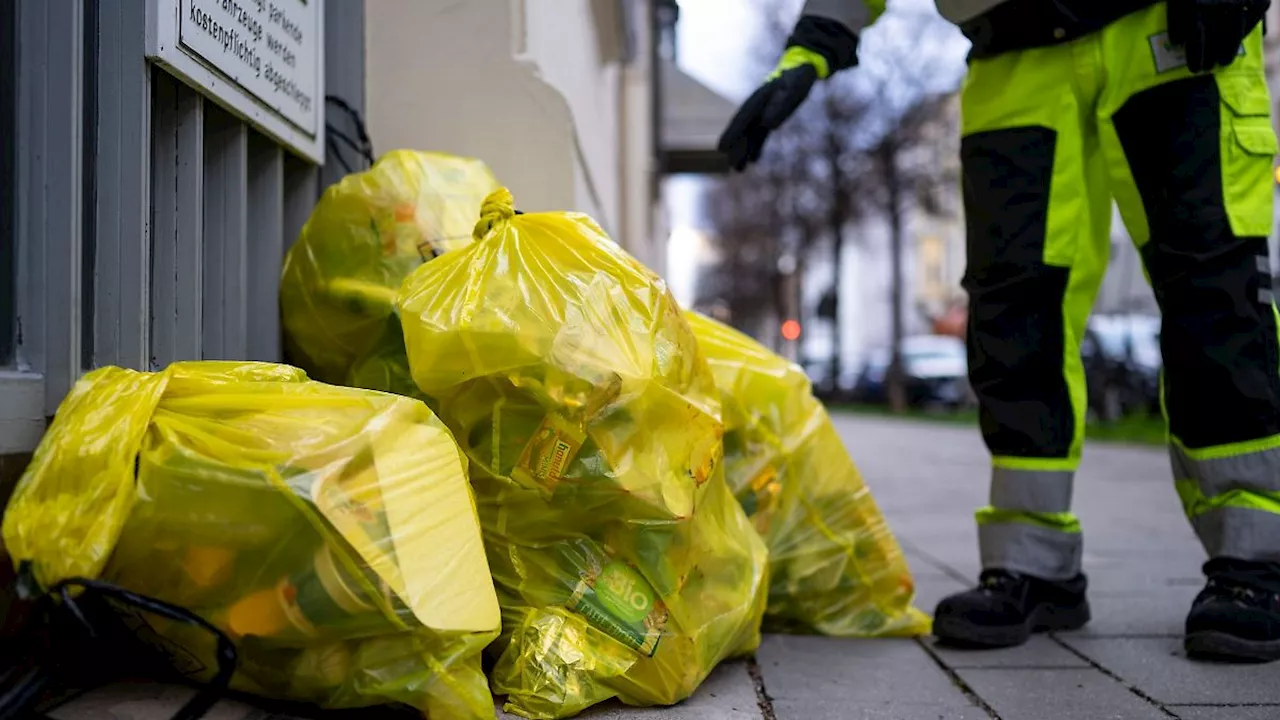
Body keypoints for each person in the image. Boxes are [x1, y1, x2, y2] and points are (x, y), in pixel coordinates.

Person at [718, 0, 1280, 662]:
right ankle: (1034, 564)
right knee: (1014, 316)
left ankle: (1256, 562)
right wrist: (814, 43)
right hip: (1011, 59)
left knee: (1212, 294)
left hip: (1167, 29)